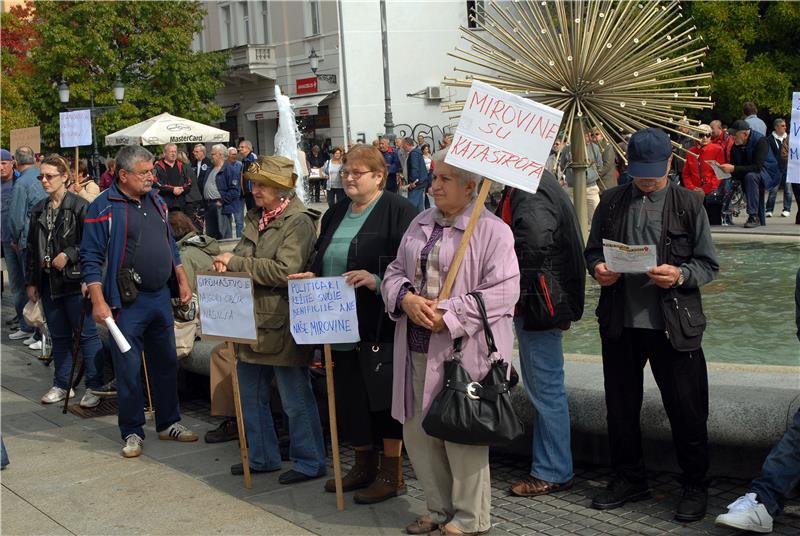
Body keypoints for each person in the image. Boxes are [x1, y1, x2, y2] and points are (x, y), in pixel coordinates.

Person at [584, 127, 719, 523]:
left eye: (653, 172)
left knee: (687, 410)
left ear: (669, 165)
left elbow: (708, 264)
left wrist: (679, 275)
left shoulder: (688, 204)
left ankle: (695, 485)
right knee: (620, 408)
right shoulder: (610, 202)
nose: (645, 179)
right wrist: (598, 269)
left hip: (673, 325)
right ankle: (629, 478)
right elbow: (592, 249)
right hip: (621, 323)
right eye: (639, 171)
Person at [382, 151, 520, 536]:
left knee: (463, 434)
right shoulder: (420, 221)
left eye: (445, 179)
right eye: (434, 177)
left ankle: (471, 517)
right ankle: (438, 508)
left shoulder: (493, 231)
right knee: (419, 432)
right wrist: (405, 298)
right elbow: (394, 271)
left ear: (470, 187)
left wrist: (451, 314)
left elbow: (505, 292)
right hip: (415, 343)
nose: (435, 185)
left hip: (464, 352)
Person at [290, 144, 417, 503]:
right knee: (349, 396)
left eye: (356, 173)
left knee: (382, 398)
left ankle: (392, 474)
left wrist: (375, 279)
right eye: (345, 171)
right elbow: (323, 256)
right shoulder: (335, 212)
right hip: (336, 323)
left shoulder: (399, 211)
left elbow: (411, 268)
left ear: (379, 177)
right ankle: (363, 465)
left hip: (378, 323)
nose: (348, 177)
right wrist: (310, 275)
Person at [211, 155, 326, 484]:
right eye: (254, 183)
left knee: (294, 399)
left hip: (280, 321)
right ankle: (262, 457)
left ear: (280, 189)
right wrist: (228, 262)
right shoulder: (256, 216)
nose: (255, 189)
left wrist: (234, 263)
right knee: (249, 396)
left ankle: (310, 461)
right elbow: (249, 257)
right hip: (250, 320)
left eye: (261, 185)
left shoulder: (299, 221)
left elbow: (286, 271)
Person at [81, 145, 198, 458]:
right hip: (126, 301)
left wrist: (182, 280)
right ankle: (132, 431)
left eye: (152, 171)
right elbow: (90, 257)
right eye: (144, 172)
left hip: (160, 296)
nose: (151, 177)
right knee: (129, 368)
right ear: (123, 175)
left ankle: (168, 422)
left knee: (166, 362)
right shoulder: (104, 207)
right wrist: (98, 301)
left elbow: (170, 244)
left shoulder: (156, 200)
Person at [495, 169, 585, 499]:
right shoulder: (530, 181)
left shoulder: (528, 187)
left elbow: (533, 241)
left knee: (545, 388)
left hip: (540, 301)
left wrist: (507, 289)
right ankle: (552, 466)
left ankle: (552, 470)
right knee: (545, 385)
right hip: (542, 299)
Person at [25, 155, 105, 406]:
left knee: (87, 335)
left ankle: (94, 385)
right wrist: (32, 281)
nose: (45, 181)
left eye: (50, 176)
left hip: (74, 280)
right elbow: (31, 248)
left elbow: (94, 244)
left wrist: (70, 255)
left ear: (65, 177)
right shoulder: (39, 208)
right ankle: (62, 383)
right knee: (58, 335)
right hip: (49, 281)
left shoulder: (80, 206)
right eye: (42, 176)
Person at [8, 146, 47, 344]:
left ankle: (37, 331)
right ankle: (37, 332)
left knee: (30, 286)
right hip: (43, 239)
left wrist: (14, 239)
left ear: (16, 161)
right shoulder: (43, 176)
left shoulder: (22, 183)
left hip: (27, 240)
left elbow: (15, 218)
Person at [720, 120, 780, 228]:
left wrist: (733, 169)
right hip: (750, 172)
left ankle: (753, 216)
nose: (732, 137)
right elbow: (736, 168)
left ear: (745, 134)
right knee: (742, 177)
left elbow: (757, 167)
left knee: (751, 176)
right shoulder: (735, 146)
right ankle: (726, 214)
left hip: (768, 173)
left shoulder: (761, 141)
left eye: (734, 135)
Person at [682, 124, 730, 225]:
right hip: (695, 192)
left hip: (712, 192)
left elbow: (719, 173)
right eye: (701, 134)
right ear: (695, 135)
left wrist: (706, 189)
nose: (704, 137)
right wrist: (692, 188)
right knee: (694, 223)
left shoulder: (717, 149)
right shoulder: (690, 152)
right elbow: (686, 173)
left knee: (713, 222)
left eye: (708, 135)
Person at [561, 130, 603, 227]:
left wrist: (592, 176)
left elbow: (600, 165)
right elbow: (562, 166)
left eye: (586, 135)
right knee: (573, 218)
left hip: (591, 188)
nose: (584, 137)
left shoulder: (594, 148)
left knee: (596, 217)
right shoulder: (567, 149)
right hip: (573, 189)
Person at [1, 149, 21, 331]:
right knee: (15, 283)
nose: (1, 167)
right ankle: (21, 316)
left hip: (16, 241)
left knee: (22, 281)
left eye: (3, 163)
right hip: (4, 241)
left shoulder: (19, 182)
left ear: (12, 163)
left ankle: (27, 322)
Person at [203, 144, 239, 240]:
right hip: (209, 205)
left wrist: (222, 202)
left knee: (223, 234)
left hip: (220, 206)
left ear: (220, 155)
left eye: (213, 154)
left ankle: (225, 254)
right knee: (210, 235)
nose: (211, 156)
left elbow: (234, 190)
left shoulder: (229, 169)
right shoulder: (210, 169)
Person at [153, 143, 193, 212]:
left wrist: (182, 189)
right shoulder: (157, 167)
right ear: (164, 153)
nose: (173, 154)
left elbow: (189, 183)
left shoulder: (182, 166)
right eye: (171, 151)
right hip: (165, 204)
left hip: (181, 204)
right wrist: (172, 190)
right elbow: (155, 184)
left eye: (175, 152)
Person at [765, 118, 791, 218]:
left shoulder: (788, 138)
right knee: (773, 190)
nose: (785, 127)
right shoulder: (769, 139)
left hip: (787, 167)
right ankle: (769, 209)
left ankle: (787, 209)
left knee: (788, 189)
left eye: (785, 125)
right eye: (783, 126)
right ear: (776, 127)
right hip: (775, 168)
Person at [404, 138, 429, 213]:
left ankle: (409, 222)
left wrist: (413, 182)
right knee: (419, 207)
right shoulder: (417, 152)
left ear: (407, 144)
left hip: (416, 184)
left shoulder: (414, 153)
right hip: (420, 183)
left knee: (411, 207)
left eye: (403, 144)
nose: (402, 146)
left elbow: (414, 168)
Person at [238, 139, 257, 214]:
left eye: (242, 147)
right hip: (247, 192)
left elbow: (255, 174)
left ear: (248, 148)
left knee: (254, 214)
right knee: (250, 213)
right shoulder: (244, 159)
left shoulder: (252, 157)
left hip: (252, 191)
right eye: (239, 147)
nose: (240, 149)